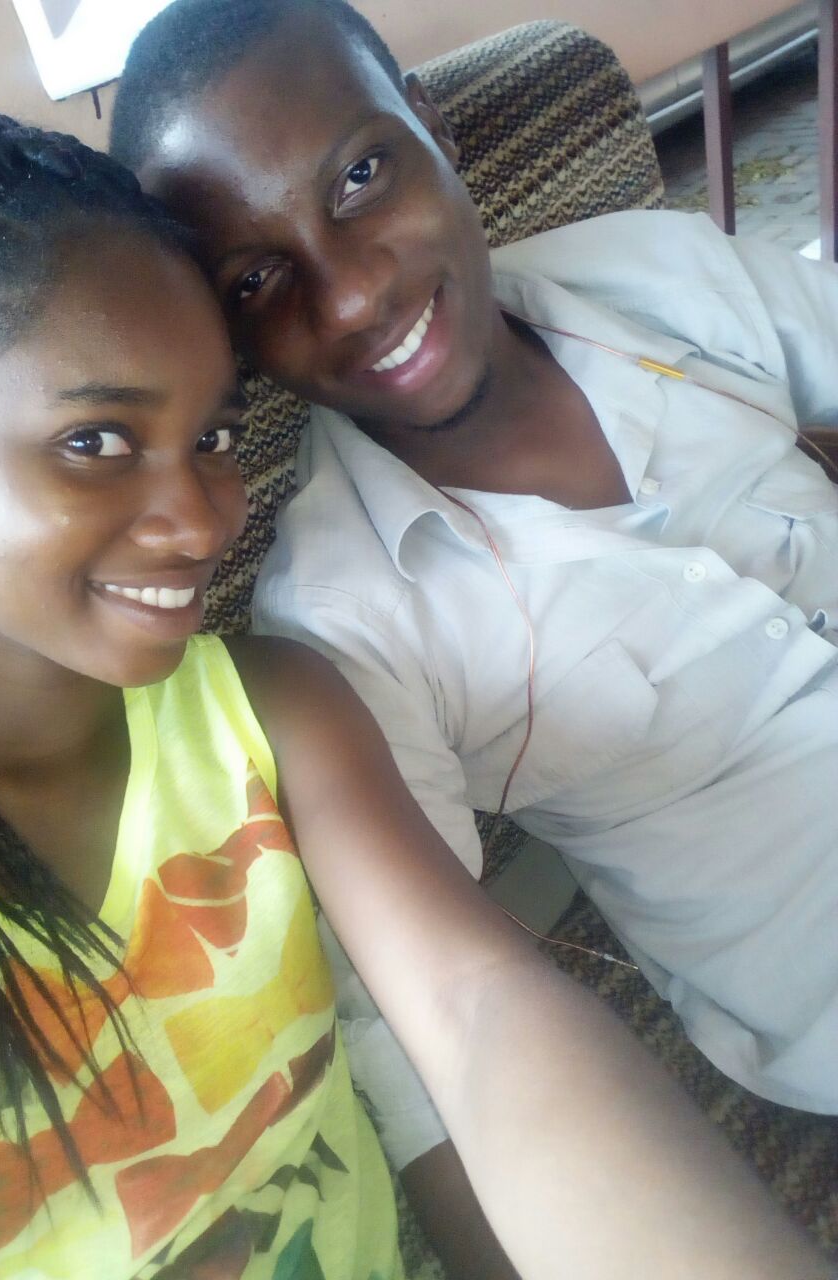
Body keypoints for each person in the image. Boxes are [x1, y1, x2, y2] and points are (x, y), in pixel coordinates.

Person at [0, 107, 828, 1280]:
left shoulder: (271, 711)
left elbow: (480, 1015)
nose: (198, 521)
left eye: (213, 436)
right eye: (97, 442)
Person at [111, 0, 838, 1270]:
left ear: (432, 128)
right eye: (258, 279)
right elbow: (443, 1067)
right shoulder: (345, 636)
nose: (352, 293)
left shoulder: (656, 275)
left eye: (359, 175)